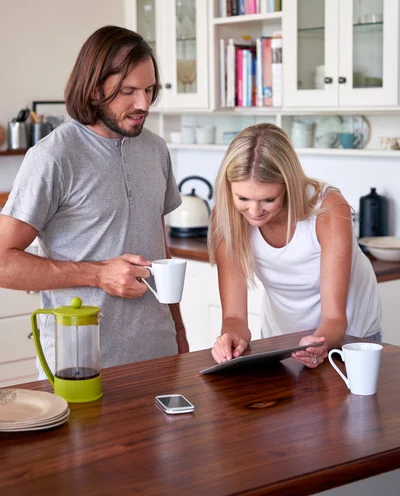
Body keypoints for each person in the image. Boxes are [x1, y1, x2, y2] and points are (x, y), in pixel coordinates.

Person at [0, 25, 188, 378]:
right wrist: (98, 274)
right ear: (93, 88)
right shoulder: (54, 157)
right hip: (80, 367)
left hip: (158, 358)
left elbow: (158, 249)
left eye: (149, 90)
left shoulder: (155, 149)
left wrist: (178, 330)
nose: (143, 104)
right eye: (127, 91)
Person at [209, 123, 381, 368]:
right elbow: (234, 316)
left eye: (269, 199)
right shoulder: (226, 217)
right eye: (243, 198)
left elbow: (335, 319)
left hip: (350, 340)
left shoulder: (328, 211)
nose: (254, 212)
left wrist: (317, 343)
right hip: (280, 340)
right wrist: (232, 338)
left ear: (288, 185)